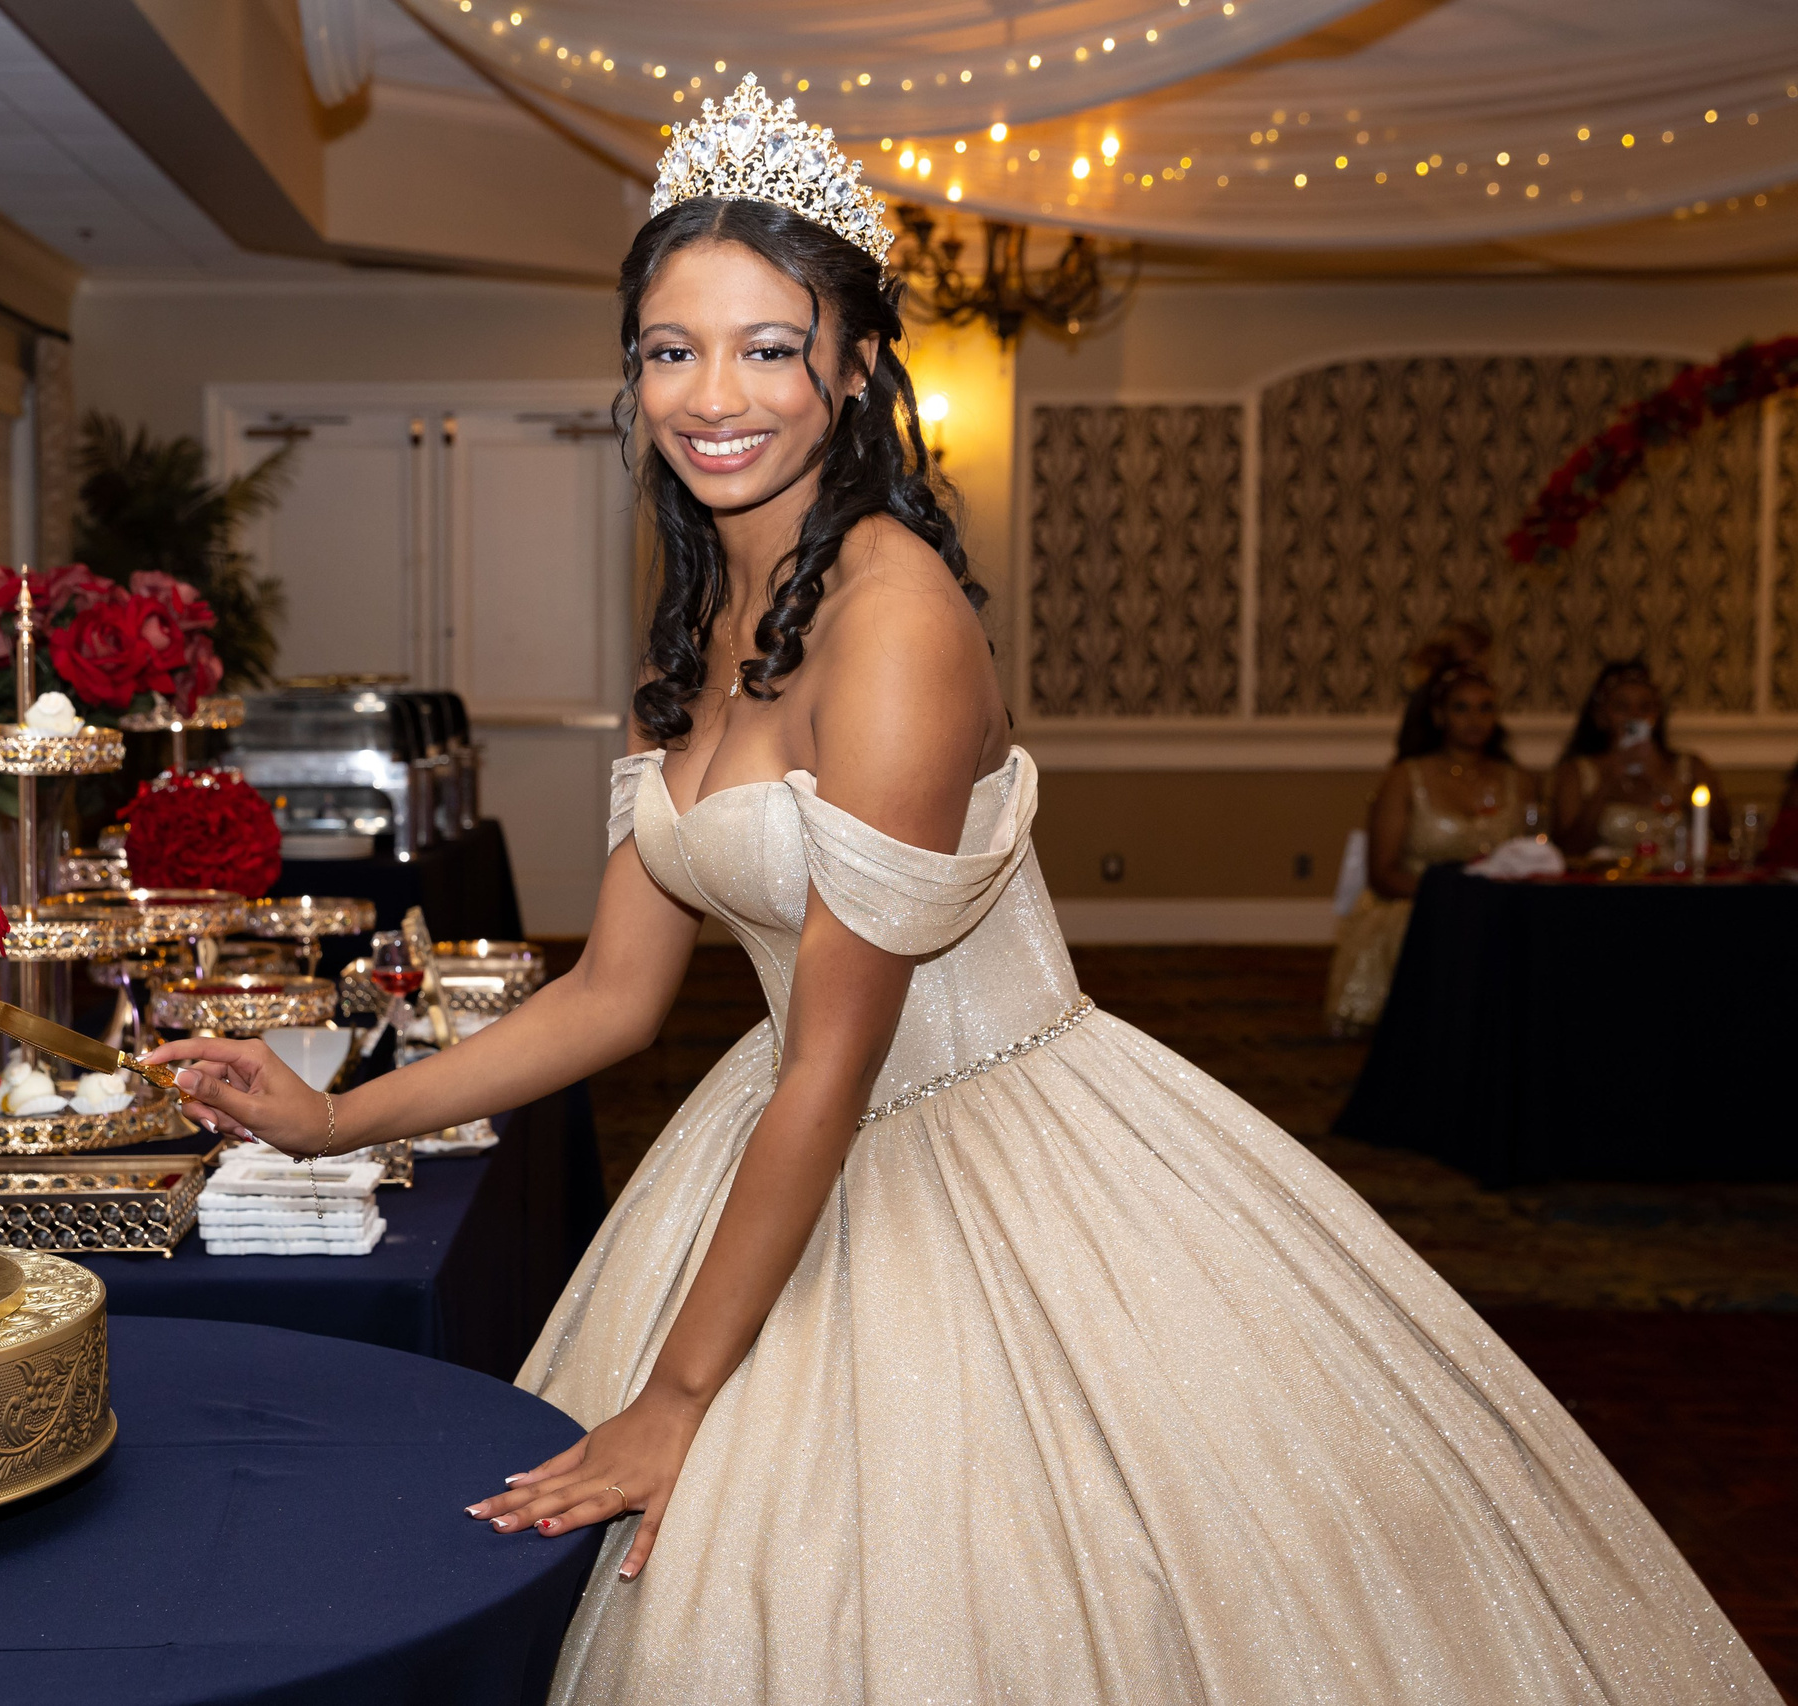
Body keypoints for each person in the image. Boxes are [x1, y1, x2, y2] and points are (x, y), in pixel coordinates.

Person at [150, 78, 1767, 1705]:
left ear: (852, 366)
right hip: (777, 1115)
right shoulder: (697, 615)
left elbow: (840, 1063)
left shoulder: (897, 621)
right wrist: (335, 1119)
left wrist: (682, 1392)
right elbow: (615, 994)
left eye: (769, 346)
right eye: (671, 347)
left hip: (970, 1126)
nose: (714, 393)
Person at [1325, 655, 1534, 1030]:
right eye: (1462, 708)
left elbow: (1533, 851)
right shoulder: (1407, 777)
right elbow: (1383, 874)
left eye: (1485, 708)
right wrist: (1453, 892)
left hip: (1497, 901)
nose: (1475, 719)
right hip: (1416, 901)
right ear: (1439, 716)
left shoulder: (1516, 780)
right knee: (1447, 931)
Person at [1549, 660, 1723, 862]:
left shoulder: (1690, 767)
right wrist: (1606, 785)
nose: (1634, 716)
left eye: (1645, 707)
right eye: (1622, 707)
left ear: (1657, 716)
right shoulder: (1577, 772)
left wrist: (1666, 782)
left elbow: (1723, 836)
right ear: (1601, 716)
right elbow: (1565, 850)